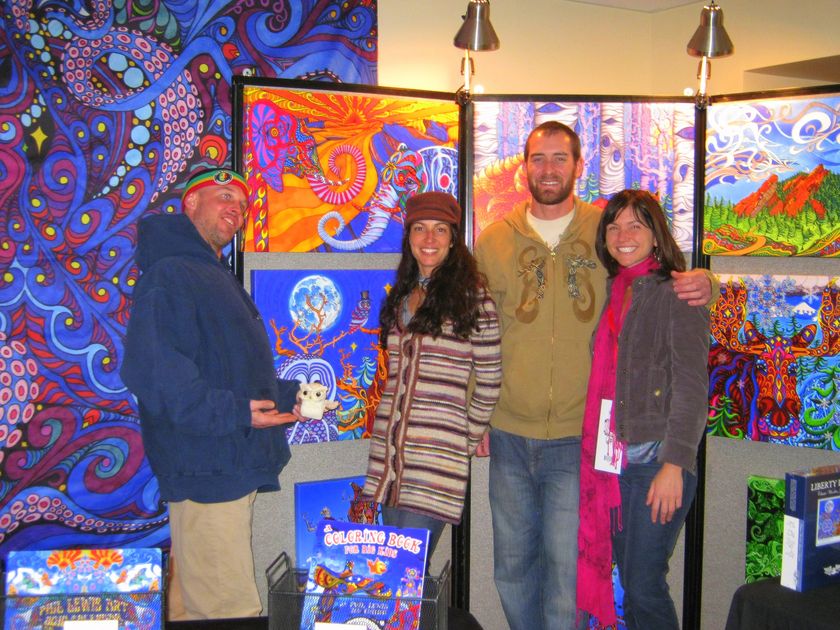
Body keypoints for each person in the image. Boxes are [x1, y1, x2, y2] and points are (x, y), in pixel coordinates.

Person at [474, 121, 714, 630]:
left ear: (579, 166)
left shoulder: (601, 230)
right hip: (509, 431)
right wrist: (477, 413)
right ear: (524, 167)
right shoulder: (493, 240)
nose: (549, 169)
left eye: (560, 158)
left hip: (577, 436)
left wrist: (705, 279)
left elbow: (658, 279)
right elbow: (476, 329)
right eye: (538, 158)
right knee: (512, 568)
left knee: (571, 572)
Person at [120, 168, 302, 620]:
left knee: (194, 608)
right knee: (229, 610)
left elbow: (225, 368)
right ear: (190, 203)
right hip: (208, 465)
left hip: (219, 461)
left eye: (242, 202)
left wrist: (286, 398)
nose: (236, 208)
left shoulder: (205, 272)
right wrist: (236, 413)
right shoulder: (172, 273)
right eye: (223, 196)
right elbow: (156, 373)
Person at [576, 189, 710, 629]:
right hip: (615, 463)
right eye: (614, 227)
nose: (623, 236)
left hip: (657, 462)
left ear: (656, 234)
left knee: (644, 584)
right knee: (631, 585)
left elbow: (691, 387)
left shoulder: (677, 293)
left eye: (635, 225)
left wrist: (674, 465)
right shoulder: (614, 290)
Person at [362, 191, 502, 558]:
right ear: (408, 236)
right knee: (390, 572)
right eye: (419, 228)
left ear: (453, 239)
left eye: (440, 230)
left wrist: (462, 443)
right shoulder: (401, 296)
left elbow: (490, 380)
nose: (429, 239)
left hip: (435, 464)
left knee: (408, 570)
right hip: (390, 461)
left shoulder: (474, 299)